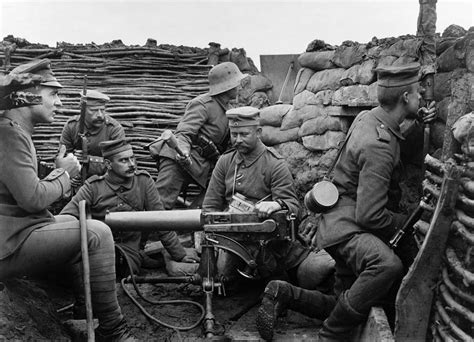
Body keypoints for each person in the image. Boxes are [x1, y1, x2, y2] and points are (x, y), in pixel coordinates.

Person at [0, 59, 135, 341]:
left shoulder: (13, 130)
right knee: (97, 232)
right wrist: (65, 174)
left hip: (13, 233)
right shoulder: (10, 134)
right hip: (8, 244)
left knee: (75, 220)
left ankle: (81, 314)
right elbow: (33, 199)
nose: (59, 104)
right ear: (29, 95)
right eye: (54, 94)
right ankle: (114, 329)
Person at [315, 63, 436, 341]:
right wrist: (406, 225)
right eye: (418, 93)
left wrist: (417, 121)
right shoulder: (378, 145)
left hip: (336, 218)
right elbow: (370, 216)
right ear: (405, 97)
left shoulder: (369, 118)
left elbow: (396, 145)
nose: (421, 97)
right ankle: (330, 335)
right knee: (388, 266)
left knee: (345, 300)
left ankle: (287, 294)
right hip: (348, 228)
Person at [201, 106, 336, 340]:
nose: (238, 140)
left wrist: (277, 205)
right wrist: (221, 224)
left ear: (259, 131)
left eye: (244, 134)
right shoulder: (225, 163)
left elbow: (294, 207)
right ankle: (269, 286)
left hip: (271, 243)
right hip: (234, 240)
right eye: (234, 134)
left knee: (314, 274)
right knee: (221, 282)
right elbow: (210, 207)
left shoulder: (274, 164)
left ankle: (280, 289)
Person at [60, 138, 200, 278]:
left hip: (129, 253)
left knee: (119, 269)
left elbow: (161, 221)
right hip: (98, 248)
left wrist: (180, 255)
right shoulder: (93, 187)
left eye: (132, 158)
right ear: (108, 164)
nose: (132, 164)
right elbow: (67, 216)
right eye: (124, 160)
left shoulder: (143, 182)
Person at [151, 61, 247, 210]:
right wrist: (183, 152)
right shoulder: (202, 104)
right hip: (177, 160)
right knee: (161, 204)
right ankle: (151, 232)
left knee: (215, 197)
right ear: (226, 86)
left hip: (201, 165)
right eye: (236, 83)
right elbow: (184, 132)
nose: (239, 86)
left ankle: (187, 228)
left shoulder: (229, 109)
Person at [60, 89, 125, 179]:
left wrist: (89, 160)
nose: (100, 115)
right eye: (94, 110)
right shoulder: (72, 126)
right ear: (83, 110)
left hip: (106, 182)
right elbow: (62, 157)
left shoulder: (114, 129)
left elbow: (120, 164)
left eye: (102, 110)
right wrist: (70, 176)